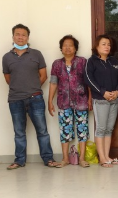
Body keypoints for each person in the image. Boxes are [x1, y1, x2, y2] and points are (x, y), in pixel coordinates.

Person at [2, 23, 59, 169]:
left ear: (28, 37)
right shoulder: (6, 57)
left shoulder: (36, 54)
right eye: (17, 34)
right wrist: (20, 88)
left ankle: (48, 159)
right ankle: (19, 160)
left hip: (35, 98)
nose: (20, 37)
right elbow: (8, 79)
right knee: (19, 132)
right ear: (13, 36)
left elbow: (43, 76)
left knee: (42, 131)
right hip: (15, 100)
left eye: (23, 35)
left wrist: (32, 88)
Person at [48, 35, 92, 168]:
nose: (67, 47)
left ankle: (82, 158)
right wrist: (50, 101)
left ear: (75, 48)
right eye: (64, 45)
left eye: (70, 45)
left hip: (81, 101)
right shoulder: (56, 64)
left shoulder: (83, 62)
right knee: (64, 130)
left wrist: (90, 99)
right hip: (63, 101)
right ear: (61, 48)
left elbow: (88, 82)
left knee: (82, 129)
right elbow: (53, 83)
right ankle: (65, 158)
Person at [84, 34, 118, 168]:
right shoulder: (92, 61)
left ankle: (107, 156)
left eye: (109, 44)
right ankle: (101, 157)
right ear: (97, 46)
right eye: (104, 44)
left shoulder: (114, 61)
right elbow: (89, 79)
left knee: (109, 129)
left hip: (114, 100)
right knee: (100, 129)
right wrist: (103, 92)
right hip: (100, 100)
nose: (107, 47)